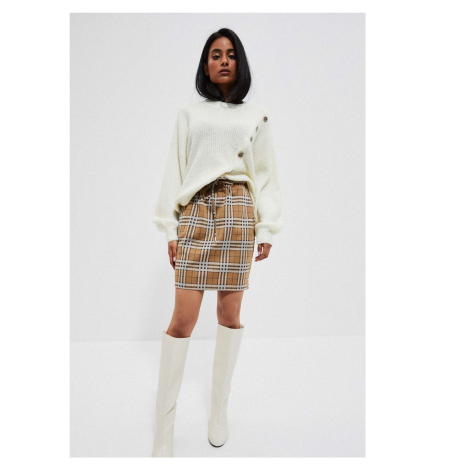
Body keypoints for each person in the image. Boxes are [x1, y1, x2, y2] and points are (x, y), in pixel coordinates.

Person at [151, 27, 283, 457]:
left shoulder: (256, 115)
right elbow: (175, 168)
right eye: (215, 54)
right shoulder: (190, 113)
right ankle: (164, 430)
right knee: (182, 320)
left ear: (239, 63)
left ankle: (218, 412)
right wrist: (171, 228)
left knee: (229, 314)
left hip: (239, 211)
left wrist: (266, 227)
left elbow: (266, 175)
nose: (223, 60)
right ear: (205, 65)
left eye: (230, 54)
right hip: (197, 211)